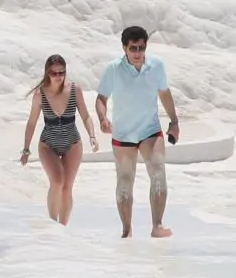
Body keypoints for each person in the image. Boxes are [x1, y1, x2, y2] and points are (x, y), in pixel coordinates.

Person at [95, 25, 180, 239]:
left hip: (149, 130)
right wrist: (103, 118)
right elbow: (101, 98)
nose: (138, 53)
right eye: (133, 48)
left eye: (141, 48)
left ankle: (157, 225)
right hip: (123, 134)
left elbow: (164, 93)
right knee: (125, 182)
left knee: (158, 172)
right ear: (124, 48)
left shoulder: (156, 66)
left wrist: (174, 121)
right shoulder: (113, 69)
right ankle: (127, 230)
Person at [20, 54, 99, 225]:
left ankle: (63, 227)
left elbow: (85, 116)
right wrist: (26, 149)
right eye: (54, 73)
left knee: (67, 187)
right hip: (48, 144)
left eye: (61, 73)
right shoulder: (40, 94)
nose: (58, 77)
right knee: (57, 181)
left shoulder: (74, 89)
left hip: (72, 142)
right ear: (47, 73)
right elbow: (32, 122)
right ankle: (52, 224)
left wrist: (92, 136)